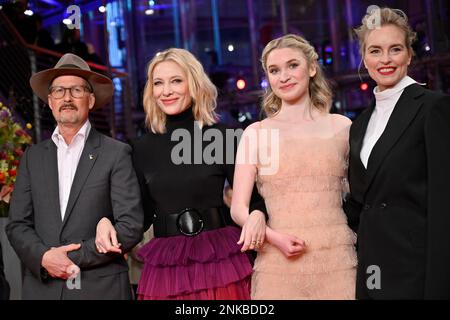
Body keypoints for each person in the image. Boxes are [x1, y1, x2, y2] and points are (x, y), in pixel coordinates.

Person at [95, 48, 267, 300]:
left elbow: (253, 199)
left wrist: (259, 213)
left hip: (219, 259)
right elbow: (137, 214)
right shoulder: (140, 148)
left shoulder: (221, 137)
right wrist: (104, 219)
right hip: (166, 266)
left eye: (176, 81)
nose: (166, 91)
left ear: (194, 84)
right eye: (158, 83)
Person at [6, 53, 144, 300]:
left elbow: (130, 227)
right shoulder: (32, 157)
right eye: (59, 91)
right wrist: (44, 258)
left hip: (101, 290)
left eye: (76, 90)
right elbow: (17, 224)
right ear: (50, 101)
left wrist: (68, 258)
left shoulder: (116, 153)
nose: (67, 98)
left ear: (90, 100)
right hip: (43, 290)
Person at [231, 34, 357, 300]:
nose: (284, 76)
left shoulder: (343, 127)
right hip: (277, 262)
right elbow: (238, 208)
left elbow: (362, 196)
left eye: (292, 65)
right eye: (274, 70)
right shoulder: (256, 133)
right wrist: (272, 236)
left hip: (337, 260)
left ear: (311, 68)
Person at [344, 7, 450, 300]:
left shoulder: (433, 108)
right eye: (375, 50)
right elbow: (360, 203)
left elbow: (444, 207)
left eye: (395, 49)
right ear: (364, 58)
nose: (386, 59)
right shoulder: (360, 124)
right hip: (372, 271)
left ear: (409, 55)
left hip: (416, 273)